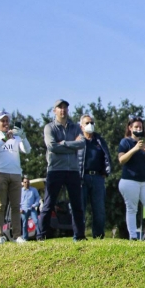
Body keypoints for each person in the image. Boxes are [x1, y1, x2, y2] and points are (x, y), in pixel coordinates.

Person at [38, 99, 87, 241]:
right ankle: (42, 235)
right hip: (55, 169)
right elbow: (52, 146)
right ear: (54, 111)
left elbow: (82, 143)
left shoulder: (75, 127)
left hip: (72, 170)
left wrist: (64, 143)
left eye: (65, 107)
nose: (63, 110)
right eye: (59, 108)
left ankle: (79, 235)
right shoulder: (49, 127)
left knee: (77, 205)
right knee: (49, 204)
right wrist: (72, 145)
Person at [0, 111, 31, 244]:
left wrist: (23, 136)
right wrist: (4, 139)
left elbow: (27, 150)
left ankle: (17, 235)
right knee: (0, 205)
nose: (5, 123)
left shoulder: (15, 137)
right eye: (2, 121)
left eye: (7, 121)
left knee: (16, 206)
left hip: (16, 174)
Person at [117, 117, 145, 241]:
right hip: (129, 180)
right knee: (132, 209)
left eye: (140, 127)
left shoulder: (144, 142)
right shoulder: (125, 142)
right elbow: (121, 160)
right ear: (130, 128)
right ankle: (133, 236)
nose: (138, 129)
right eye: (136, 127)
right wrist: (135, 149)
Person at [78, 114, 112, 239]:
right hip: (82, 178)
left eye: (91, 122)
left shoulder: (99, 140)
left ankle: (98, 236)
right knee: (80, 208)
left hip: (98, 178)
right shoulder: (78, 140)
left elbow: (107, 157)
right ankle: (80, 235)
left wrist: (106, 172)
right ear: (81, 126)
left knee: (99, 209)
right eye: (87, 123)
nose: (90, 125)